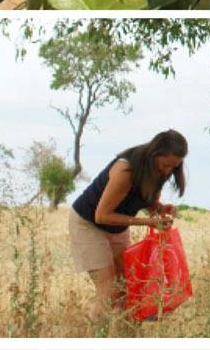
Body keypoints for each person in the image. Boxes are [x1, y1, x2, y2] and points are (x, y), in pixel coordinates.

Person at [69, 129, 188, 321]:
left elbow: (146, 201)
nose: (168, 171)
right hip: (88, 224)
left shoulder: (160, 170)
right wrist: (148, 222)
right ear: (155, 154)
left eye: (174, 167)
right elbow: (102, 215)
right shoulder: (126, 170)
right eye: (166, 164)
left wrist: (161, 209)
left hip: (117, 227)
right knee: (109, 290)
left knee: (129, 286)